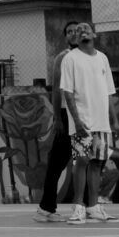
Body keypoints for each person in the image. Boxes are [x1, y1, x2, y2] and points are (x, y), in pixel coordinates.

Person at [61, 23, 119, 224]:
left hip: (101, 122)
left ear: (93, 34)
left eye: (86, 28)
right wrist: (76, 121)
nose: (82, 31)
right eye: (78, 30)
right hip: (82, 121)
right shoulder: (70, 58)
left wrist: (114, 120)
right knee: (82, 161)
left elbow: (109, 91)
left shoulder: (102, 58)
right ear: (75, 37)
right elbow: (67, 93)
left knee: (97, 163)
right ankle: (78, 207)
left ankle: (93, 207)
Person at [35, 21, 78, 223]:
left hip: (83, 115)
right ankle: (46, 208)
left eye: (76, 31)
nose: (73, 34)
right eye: (69, 32)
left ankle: (88, 204)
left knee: (85, 161)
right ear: (65, 37)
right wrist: (58, 117)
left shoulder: (88, 57)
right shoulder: (63, 57)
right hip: (66, 114)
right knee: (57, 163)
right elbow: (56, 90)